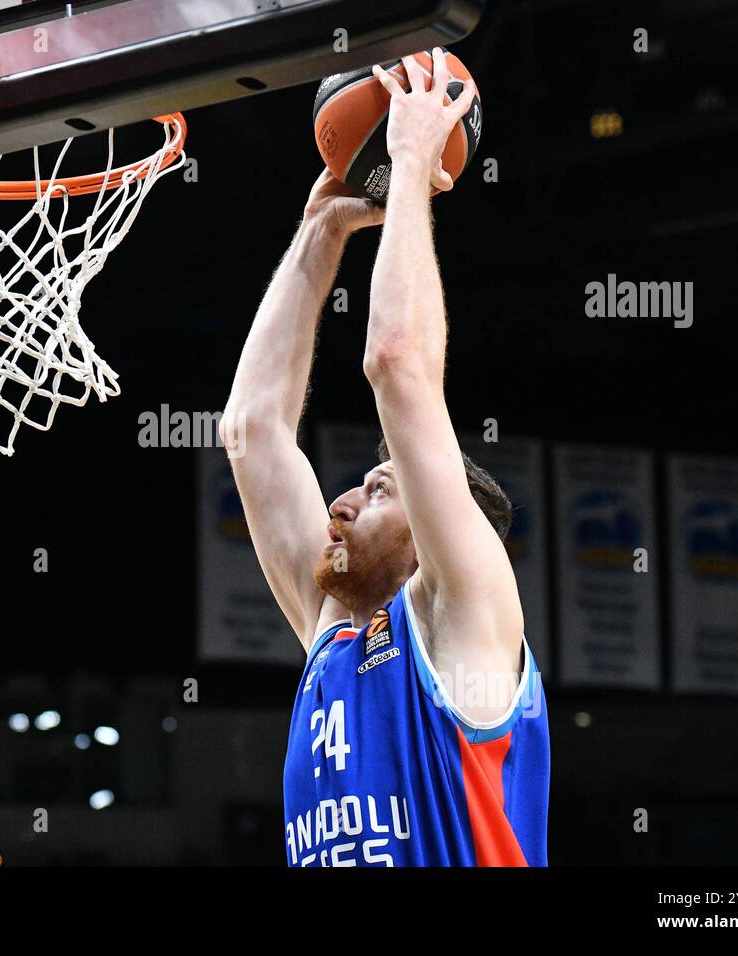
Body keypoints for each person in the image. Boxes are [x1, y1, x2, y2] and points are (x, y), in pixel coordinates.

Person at [220, 50, 549, 866]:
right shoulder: (334, 626)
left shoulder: (465, 620)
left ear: (435, 534)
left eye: (377, 489)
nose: (340, 501)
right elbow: (251, 430)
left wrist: (409, 167)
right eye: (364, 486)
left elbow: (398, 363)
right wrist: (318, 233)